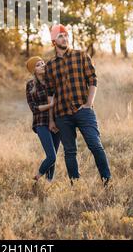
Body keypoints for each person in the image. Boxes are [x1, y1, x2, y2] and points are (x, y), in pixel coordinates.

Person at [45, 24, 111, 187]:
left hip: (83, 110)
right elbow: (50, 94)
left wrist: (89, 103)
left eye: (66, 35)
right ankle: (76, 186)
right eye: (60, 36)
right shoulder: (51, 65)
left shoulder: (81, 56)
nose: (65, 38)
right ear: (54, 40)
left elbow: (93, 79)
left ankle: (107, 181)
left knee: (95, 145)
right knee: (69, 151)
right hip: (62, 114)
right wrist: (51, 119)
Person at [26, 56, 61, 182]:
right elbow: (33, 107)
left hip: (57, 121)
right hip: (41, 122)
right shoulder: (30, 85)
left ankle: (48, 182)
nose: (42, 65)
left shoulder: (52, 81)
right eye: (38, 65)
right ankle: (36, 178)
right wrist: (50, 105)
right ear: (33, 70)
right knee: (51, 156)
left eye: (43, 63)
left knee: (54, 156)